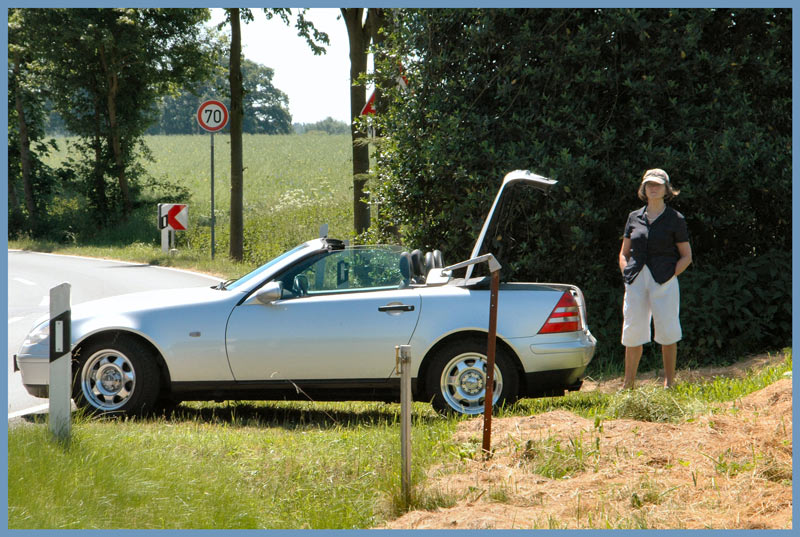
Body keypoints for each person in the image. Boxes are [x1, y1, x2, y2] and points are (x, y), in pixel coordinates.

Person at [618, 168, 692, 389]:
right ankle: (628, 385)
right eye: (649, 184)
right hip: (636, 280)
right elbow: (623, 252)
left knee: (668, 331)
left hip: (664, 280)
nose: (653, 188)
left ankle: (669, 383)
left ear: (666, 189)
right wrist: (626, 273)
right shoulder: (633, 217)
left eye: (658, 184)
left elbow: (686, 256)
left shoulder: (675, 219)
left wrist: (670, 275)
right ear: (643, 188)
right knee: (632, 331)